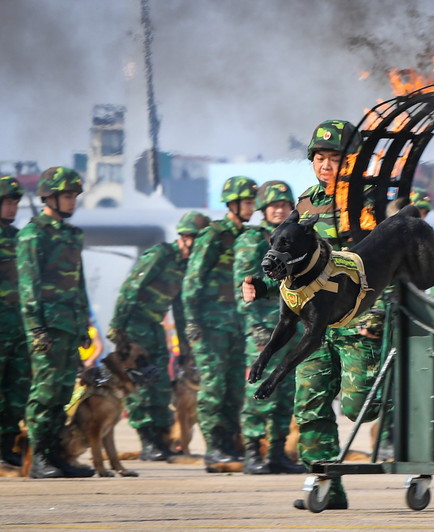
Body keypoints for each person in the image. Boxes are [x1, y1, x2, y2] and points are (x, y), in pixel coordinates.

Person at [243, 120, 382, 509]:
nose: (325, 164)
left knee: (360, 407)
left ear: (352, 160)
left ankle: (405, 391)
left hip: (359, 320)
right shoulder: (307, 203)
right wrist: (265, 286)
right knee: (309, 406)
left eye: (334, 158)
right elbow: (294, 267)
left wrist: (378, 316)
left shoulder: (371, 201)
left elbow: (385, 262)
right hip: (314, 324)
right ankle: (327, 486)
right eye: (319, 157)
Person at [107, 210, 210, 461]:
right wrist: (118, 327)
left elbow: (181, 309)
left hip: (154, 325)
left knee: (160, 382)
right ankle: (148, 441)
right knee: (139, 384)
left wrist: (186, 351)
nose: (196, 246)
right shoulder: (160, 255)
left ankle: (160, 440)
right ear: (184, 237)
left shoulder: (187, 267)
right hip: (133, 325)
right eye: (192, 239)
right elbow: (131, 288)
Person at [16, 167, 94, 478]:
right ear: (49, 197)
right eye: (66, 195)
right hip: (47, 329)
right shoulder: (33, 234)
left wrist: (84, 325)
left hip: (69, 327)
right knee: (45, 394)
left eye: (75, 196)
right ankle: (39, 459)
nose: (72, 201)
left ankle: (55, 456)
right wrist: (36, 328)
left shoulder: (72, 234)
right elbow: (28, 286)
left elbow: (79, 282)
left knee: (63, 394)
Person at [182, 176, 257, 470]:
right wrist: (192, 322)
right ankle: (214, 448)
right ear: (233, 204)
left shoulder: (249, 235)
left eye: (253, 202)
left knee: (234, 388)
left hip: (237, 325)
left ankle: (228, 444)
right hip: (211, 326)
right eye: (248, 203)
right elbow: (193, 279)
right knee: (213, 387)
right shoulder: (213, 234)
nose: (252, 208)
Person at [234, 180, 305, 475]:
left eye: (285, 205)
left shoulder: (293, 238)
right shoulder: (252, 240)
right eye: (274, 205)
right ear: (264, 209)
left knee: (285, 389)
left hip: (290, 325)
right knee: (257, 387)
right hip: (263, 330)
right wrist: (253, 325)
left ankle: (276, 453)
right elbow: (244, 286)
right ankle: (253, 452)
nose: (280, 209)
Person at [0, 175, 30, 467]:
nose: (12, 208)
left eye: (15, 203)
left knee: (18, 388)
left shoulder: (21, 239)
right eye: (7, 202)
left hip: (19, 327)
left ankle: (8, 446)